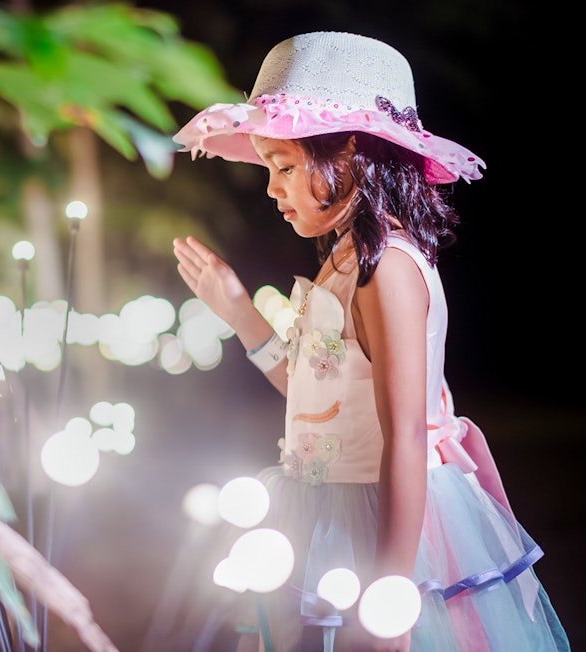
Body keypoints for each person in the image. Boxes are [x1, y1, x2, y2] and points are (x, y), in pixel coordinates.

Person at [171, 32, 569, 651]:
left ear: (351, 153)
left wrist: (391, 595)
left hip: (376, 516)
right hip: (323, 506)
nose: (272, 190)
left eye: (284, 168)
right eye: (268, 169)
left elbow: (405, 432)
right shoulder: (345, 261)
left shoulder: (388, 268)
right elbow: (317, 392)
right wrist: (239, 312)